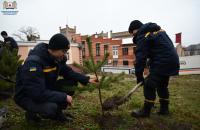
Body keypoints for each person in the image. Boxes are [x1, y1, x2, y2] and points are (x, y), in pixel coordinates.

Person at [14, 33, 97, 122]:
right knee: (50, 108)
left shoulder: (56, 59)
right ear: (54, 48)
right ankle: (31, 113)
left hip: (44, 89)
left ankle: (58, 114)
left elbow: (68, 72)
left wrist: (86, 79)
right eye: (63, 51)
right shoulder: (34, 63)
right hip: (28, 95)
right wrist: (63, 97)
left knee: (70, 84)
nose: (65, 54)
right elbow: (37, 93)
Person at [128, 20, 180, 118]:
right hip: (172, 60)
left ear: (135, 30)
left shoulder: (142, 35)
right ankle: (164, 109)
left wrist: (139, 77)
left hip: (162, 62)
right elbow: (158, 50)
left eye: (132, 34)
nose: (133, 37)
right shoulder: (157, 31)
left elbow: (140, 58)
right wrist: (150, 63)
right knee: (162, 85)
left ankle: (146, 111)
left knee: (148, 84)